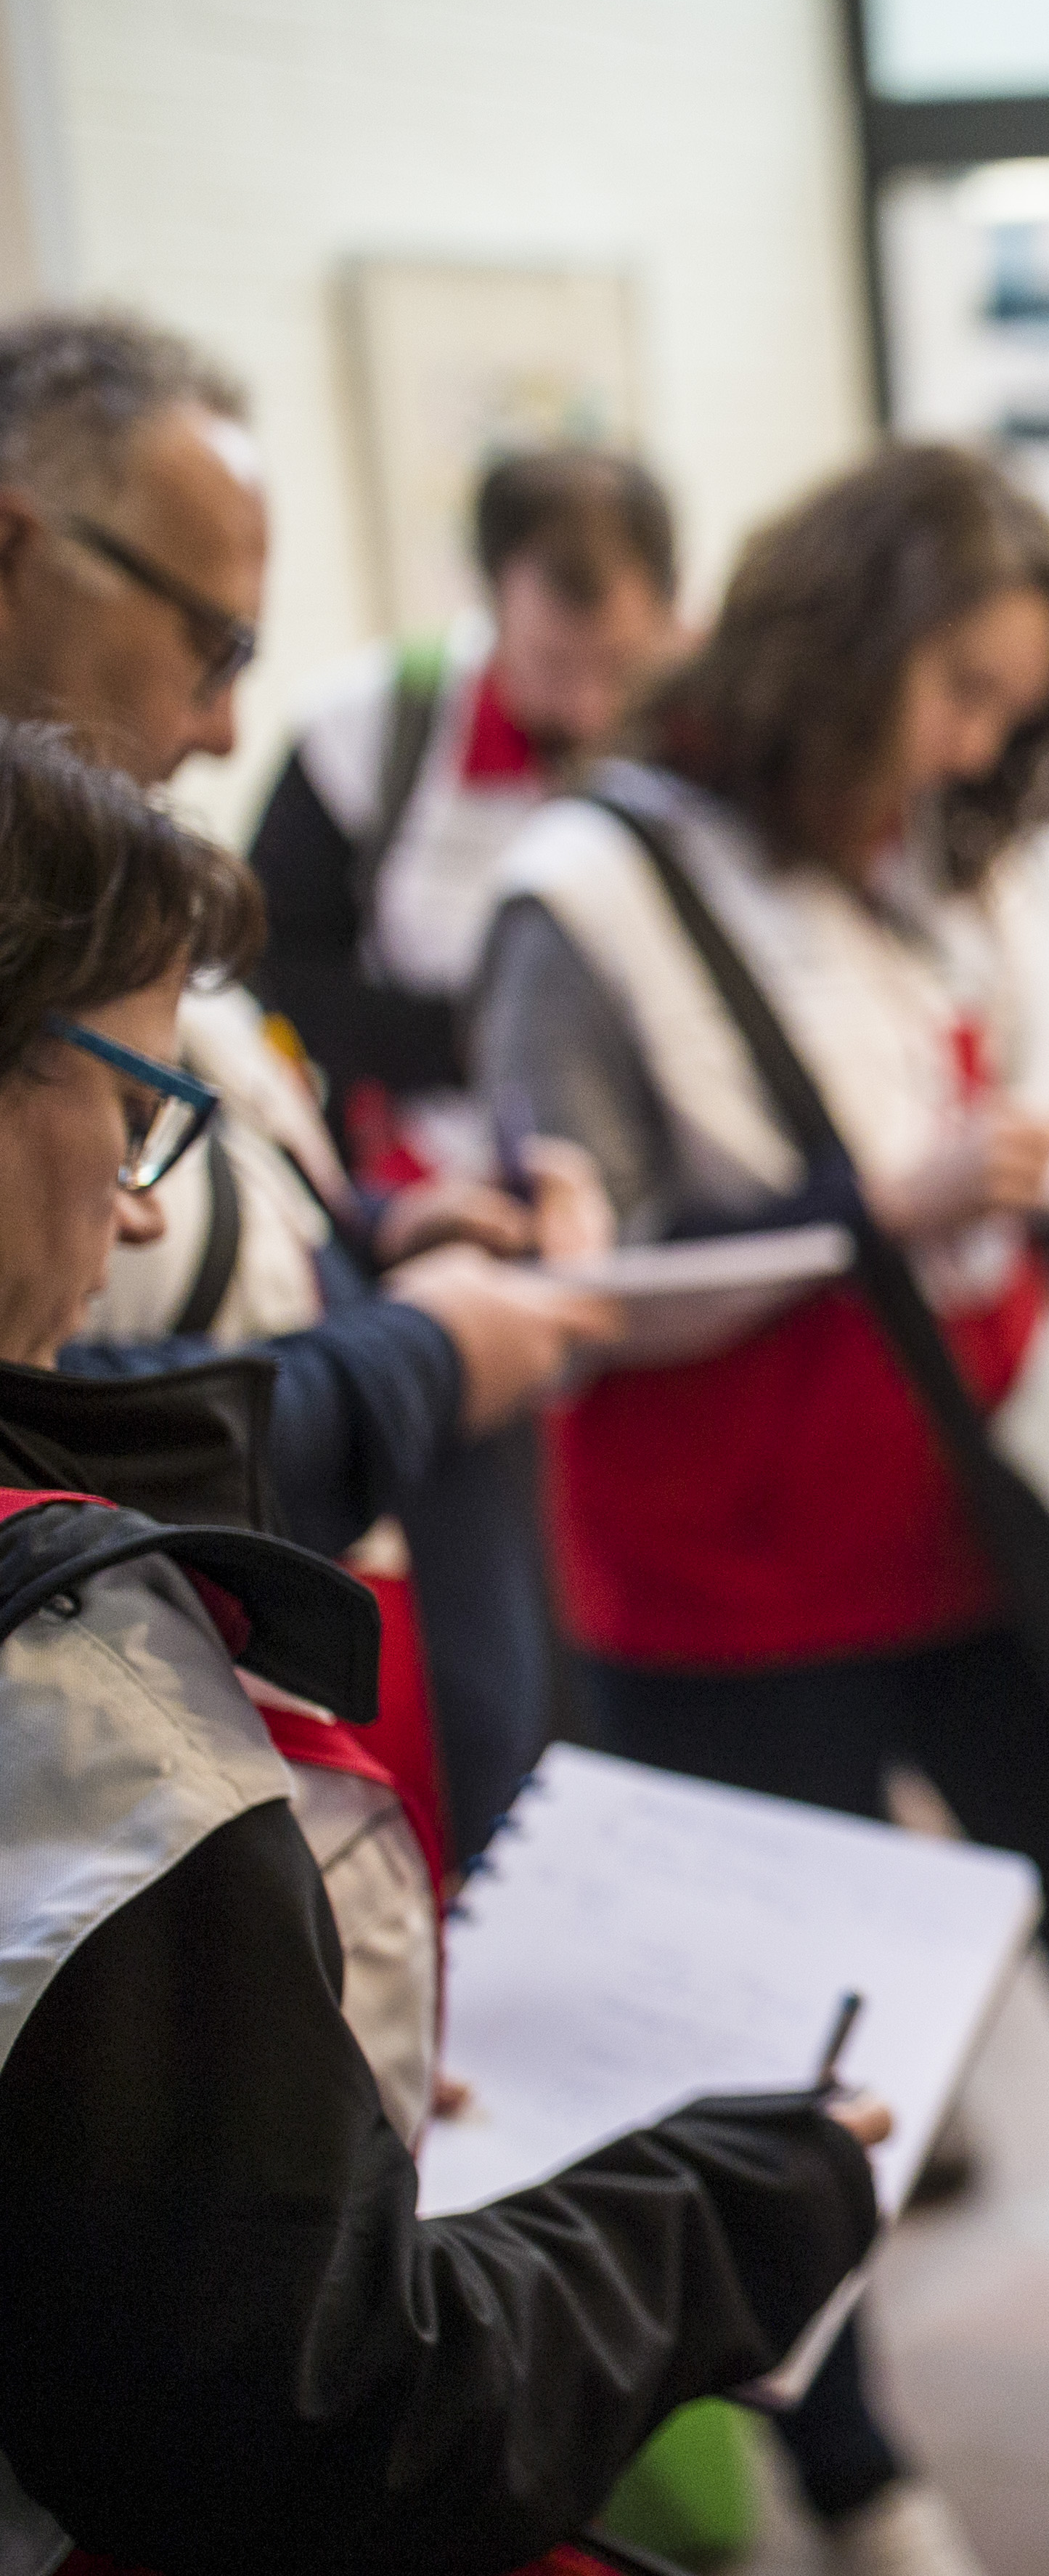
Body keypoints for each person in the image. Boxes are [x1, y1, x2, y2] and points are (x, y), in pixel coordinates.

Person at [471, 442, 1049, 2576]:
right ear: (846, 647)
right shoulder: (586, 894)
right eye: (962, 693)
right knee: (772, 2048)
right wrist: (872, 1211)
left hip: (958, 1526)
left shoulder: (892, 863)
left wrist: (1029, 1193)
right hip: (718, 1571)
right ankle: (859, 2486)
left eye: (1013, 709)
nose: (979, 747)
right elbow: (575, 1285)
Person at [0, 713, 887, 2572]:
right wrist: (744, 2200)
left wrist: (266, 2088)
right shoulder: (71, 1691)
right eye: (139, 1111)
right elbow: (327, 2426)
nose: (145, 1204)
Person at [0, 308, 610, 1864]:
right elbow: (65, 1436)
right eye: (212, 646)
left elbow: (199, 1250)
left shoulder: (107, 897)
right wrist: (419, 1354)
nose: (223, 725)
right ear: (14, 554)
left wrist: (384, 1237)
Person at [254, 447, 681, 1178]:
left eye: (620, 666)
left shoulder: (697, 741)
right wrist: (468, 1039)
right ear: (492, 601)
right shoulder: (367, 728)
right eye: (553, 664)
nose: (589, 710)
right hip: (420, 1180)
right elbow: (273, 962)